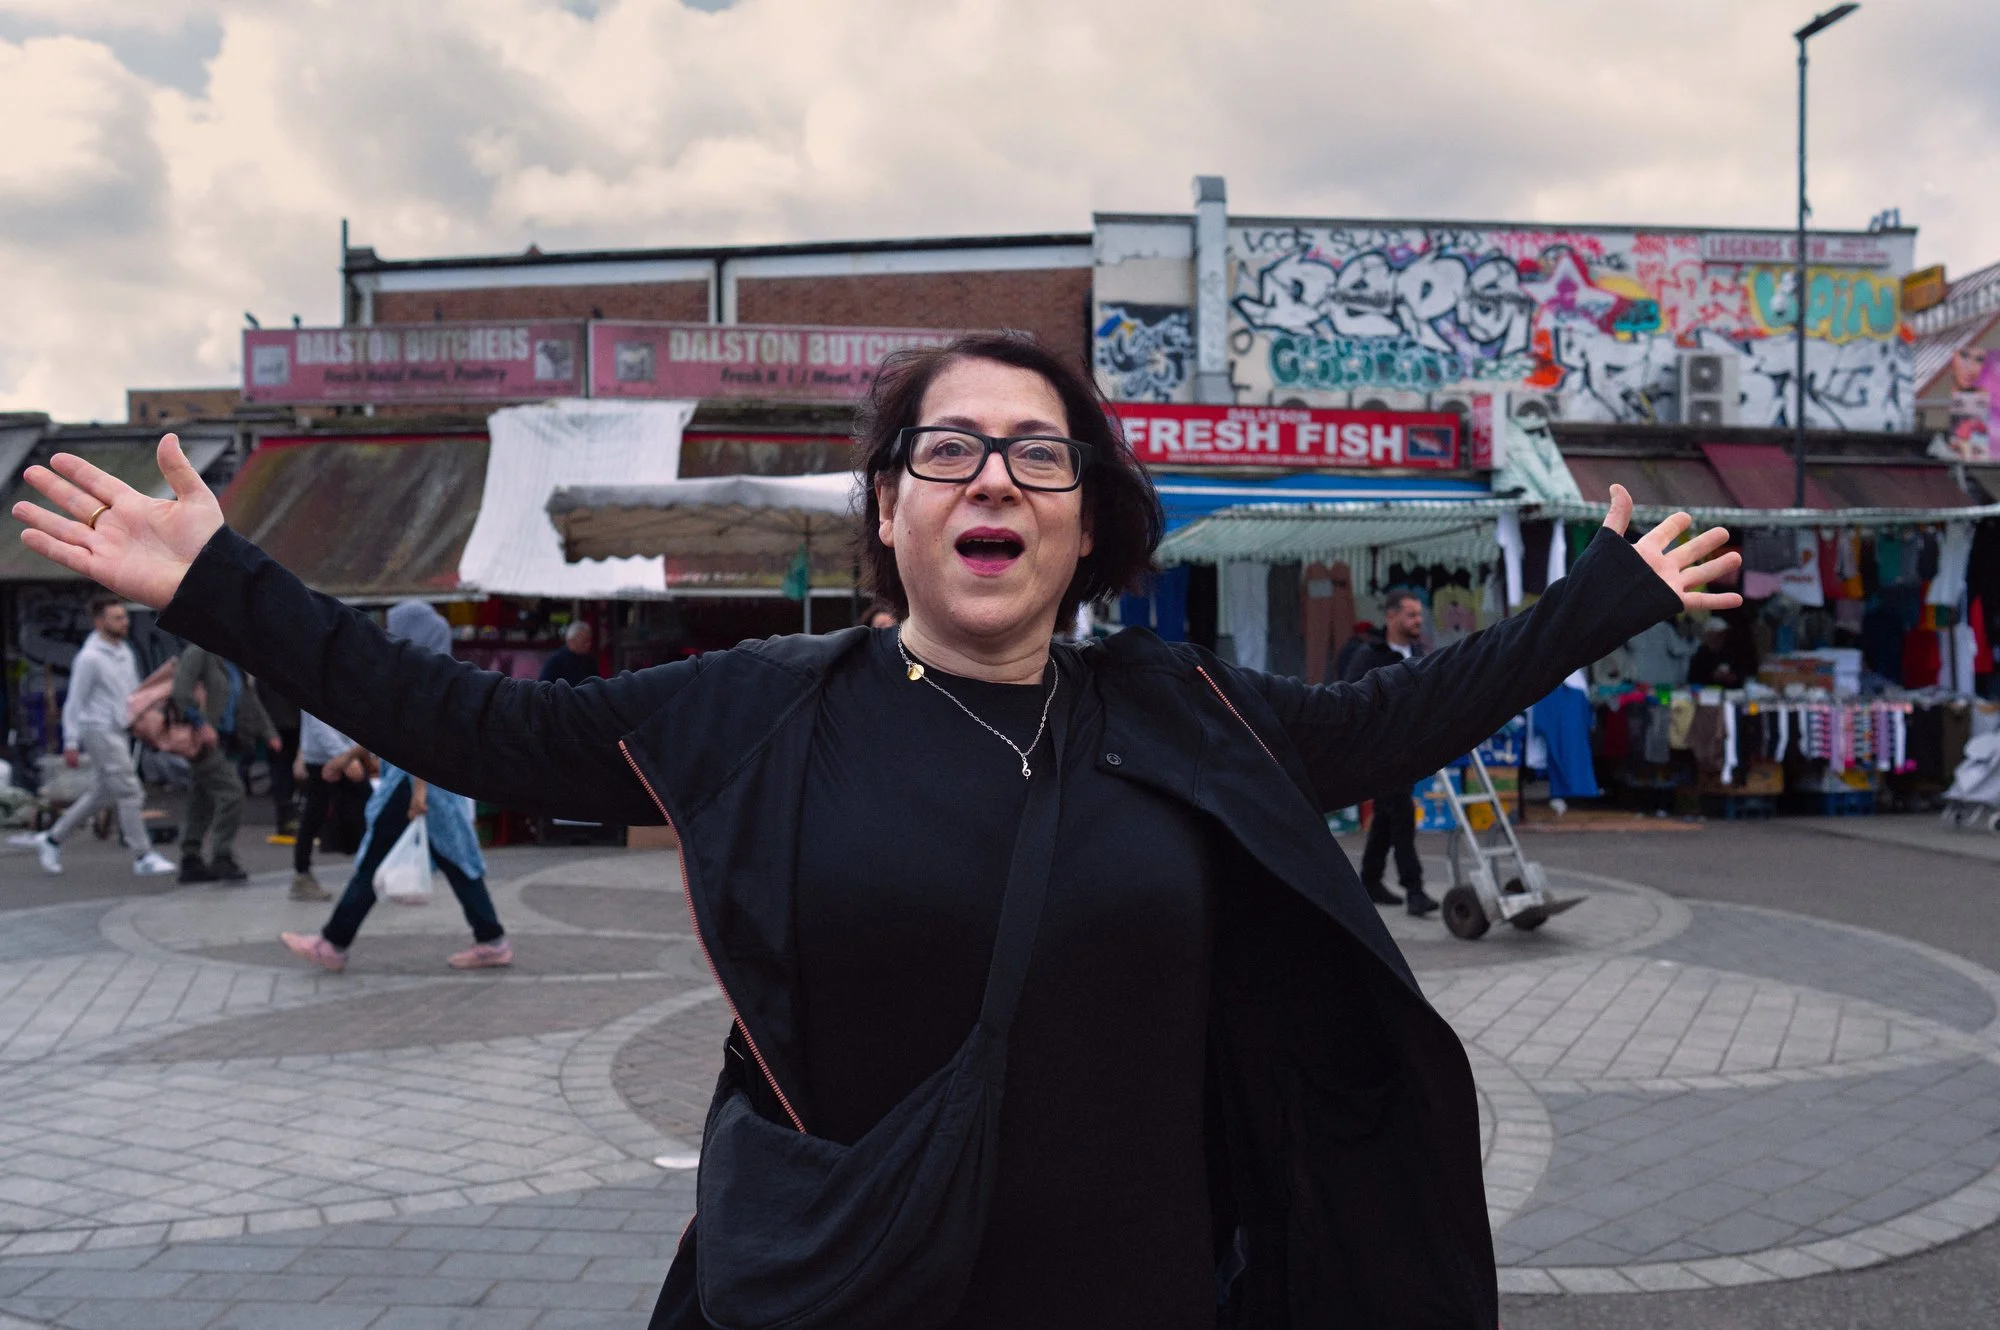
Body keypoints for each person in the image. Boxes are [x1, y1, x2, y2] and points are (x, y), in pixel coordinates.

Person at [13, 333, 1739, 1328]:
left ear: (1090, 520)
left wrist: (1598, 599)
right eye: (951, 451)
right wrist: (225, 587)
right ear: (893, 513)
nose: (995, 479)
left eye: (1040, 455)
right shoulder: (755, 707)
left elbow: (1391, 728)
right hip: (852, 1295)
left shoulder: (1184, 711)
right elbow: (463, 724)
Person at [280, 601, 511, 973]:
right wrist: (346, 757)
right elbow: (392, 734)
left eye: (393, 627)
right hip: (425, 787)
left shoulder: (418, 680)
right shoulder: (436, 676)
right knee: (457, 862)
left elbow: (420, 742)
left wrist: (418, 793)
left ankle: (333, 943)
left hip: (412, 786)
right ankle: (491, 939)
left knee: (377, 861)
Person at [10, 592, 177, 877]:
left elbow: (131, 693)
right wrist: (72, 742)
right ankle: (142, 855)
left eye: (124, 617)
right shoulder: (90, 658)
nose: (124, 622)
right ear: (99, 622)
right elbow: (75, 701)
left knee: (101, 794)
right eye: (117, 618)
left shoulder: (124, 652)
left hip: (118, 729)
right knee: (130, 791)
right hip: (97, 729)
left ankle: (51, 839)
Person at [1341, 590, 1437, 914]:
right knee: (1402, 814)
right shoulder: (1370, 656)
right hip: (1381, 750)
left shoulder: (1419, 655)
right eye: (1411, 614)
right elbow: (1350, 698)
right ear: (1391, 617)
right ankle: (1415, 890)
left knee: (1386, 814)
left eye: (1419, 615)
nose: (1417, 621)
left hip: (1409, 747)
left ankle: (1369, 879)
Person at [170, 644, 280, 882]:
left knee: (201, 799)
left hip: (226, 739)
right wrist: (201, 724)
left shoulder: (233, 657)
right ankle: (222, 855)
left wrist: (268, 732)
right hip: (202, 741)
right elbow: (181, 691)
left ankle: (191, 859)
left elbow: (249, 699)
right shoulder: (199, 652)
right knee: (231, 793)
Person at [288, 709, 370, 901]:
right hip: (325, 757)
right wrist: (345, 757)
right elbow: (318, 721)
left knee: (363, 809)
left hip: (336, 753)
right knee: (314, 814)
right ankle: (302, 874)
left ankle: (372, 868)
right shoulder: (317, 681)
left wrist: (350, 754)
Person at [537, 620, 600, 686]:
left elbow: (596, 685)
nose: (588, 645)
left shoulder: (589, 660)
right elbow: (543, 688)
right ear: (571, 641)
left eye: (589, 641)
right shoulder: (556, 661)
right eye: (584, 642)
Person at [1688, 616, 1742, 686]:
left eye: (1724, 633)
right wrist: (1713, 676)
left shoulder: (1729, 652)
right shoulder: (1699, 654)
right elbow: (1693, 679)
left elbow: (1740, 675)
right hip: (1707, 694)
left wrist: (1733, 678)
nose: (1723, 636)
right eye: (1719, 634)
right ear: (1708, 634)